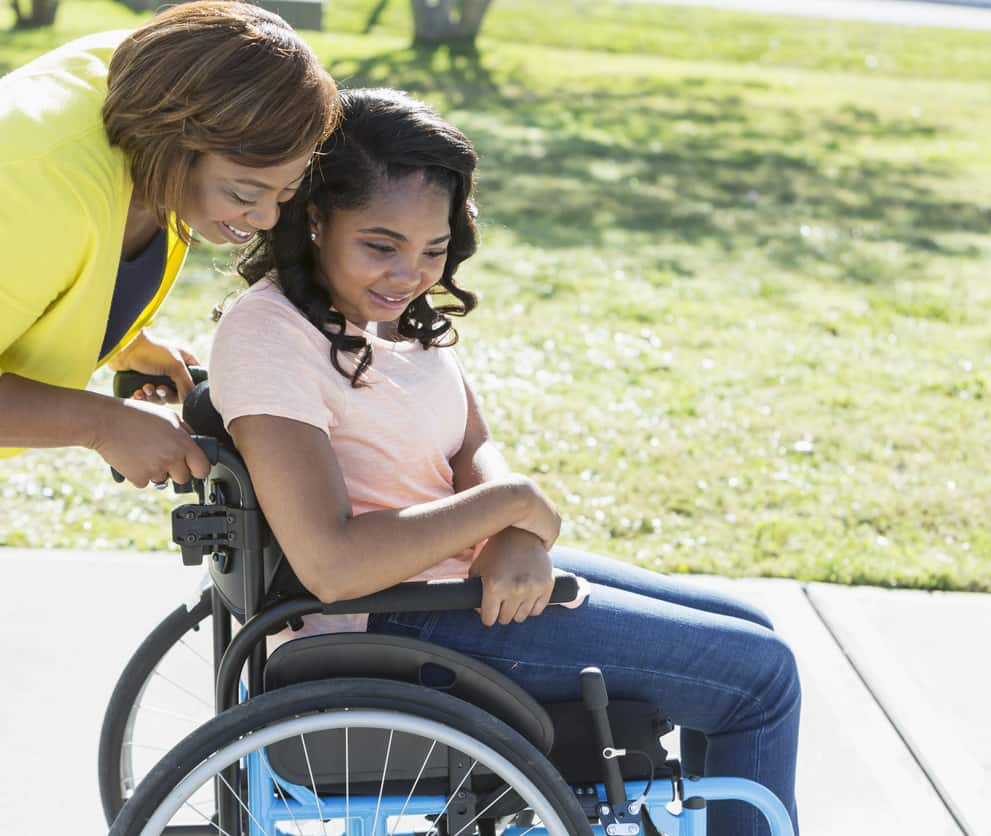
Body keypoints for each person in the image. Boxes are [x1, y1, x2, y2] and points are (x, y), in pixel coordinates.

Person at [0, 3, 338, 834]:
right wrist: (101, 424)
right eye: (245, 191)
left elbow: (4, 270)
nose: (259, 219)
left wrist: (120, 341)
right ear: (175, 136)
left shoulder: (145, 87)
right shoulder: (47, 186)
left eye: (284, 195)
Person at [207, 88, 801, 836]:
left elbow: (468, 448)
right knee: (761, 679)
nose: (409, 275)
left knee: (751, 625)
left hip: (454, 582)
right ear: (317, 216)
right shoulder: (271, 335)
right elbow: (330, 564)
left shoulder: (388, 322)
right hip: (395, 621)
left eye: (433, 249)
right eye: (380, 246)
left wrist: (516, 532)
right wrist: (507, 507)